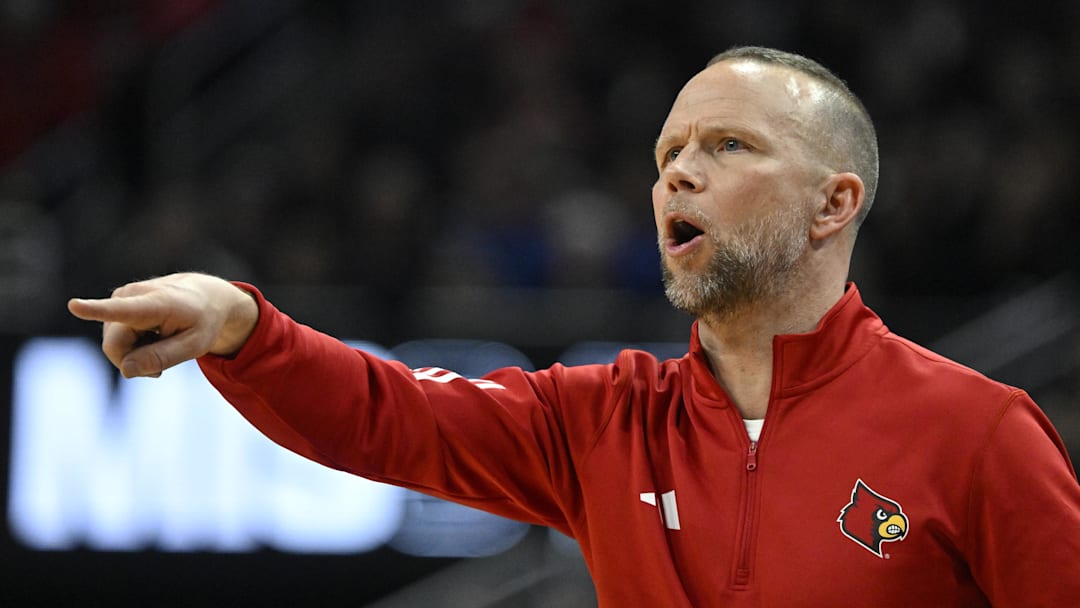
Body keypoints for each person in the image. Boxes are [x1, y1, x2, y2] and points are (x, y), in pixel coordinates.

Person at [68, 46, 1080, 606]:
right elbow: (383, 417)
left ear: (833, 204)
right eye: (668, 150)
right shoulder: (600, 417)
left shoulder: (976, 431)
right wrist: (244, 325)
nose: (678, 172)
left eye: (727, 145)